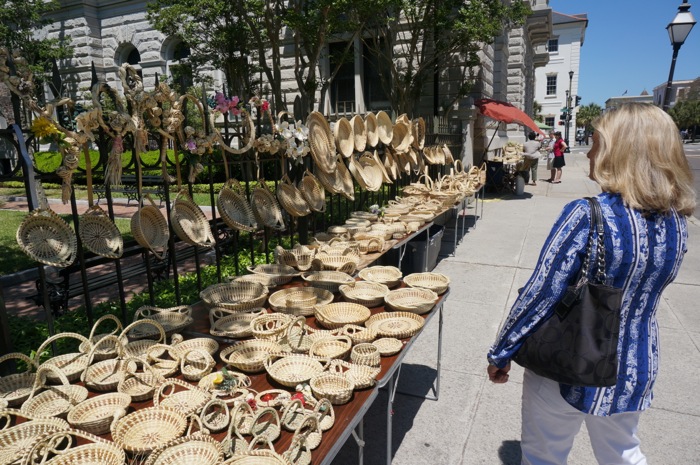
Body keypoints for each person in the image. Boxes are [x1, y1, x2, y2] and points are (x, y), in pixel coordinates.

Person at [486, 103, 696, 465]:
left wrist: (502, 350)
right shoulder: (676, 222)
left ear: (620, 152)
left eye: (599, 143)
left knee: (543, 456)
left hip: (570, 364)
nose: (591, 153)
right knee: (624, 454)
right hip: (634, 362)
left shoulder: (588, 214)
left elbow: (542, 292)